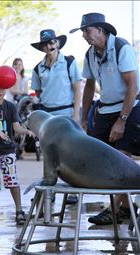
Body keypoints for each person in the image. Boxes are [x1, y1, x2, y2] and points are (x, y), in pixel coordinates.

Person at [70, 13, 140, 224]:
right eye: (82, 31)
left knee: (122, 157)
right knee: (104, 160)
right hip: (104, 110)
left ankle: (113, 209)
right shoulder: (90, 54)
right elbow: (89, 86)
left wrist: (123, 119)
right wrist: (83, 118)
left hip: (130, 107)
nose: (84, 35)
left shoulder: (121, 48)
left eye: (87, 30)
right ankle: (127, 208)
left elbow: (132, 87)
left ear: (100, 29)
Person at [30, 29, 82, 204]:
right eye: (45, 44)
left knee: (71, 151)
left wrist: (76, 114)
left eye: (52, 42)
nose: (49, 46)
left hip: (67, 112)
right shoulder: (38, 68)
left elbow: (77, 88)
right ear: (42, 47)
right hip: (47, 115)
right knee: (48, 151)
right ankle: (49, 190)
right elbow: (38, 92)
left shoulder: (69, 62)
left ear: (57, 44)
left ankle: (74, 191)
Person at [0, 71, 34, 226]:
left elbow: (16, 127)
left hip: (8, 150)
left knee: (12, 181)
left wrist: (26, 130)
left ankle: (19, 210)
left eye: (3, 88)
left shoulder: (10, 106)